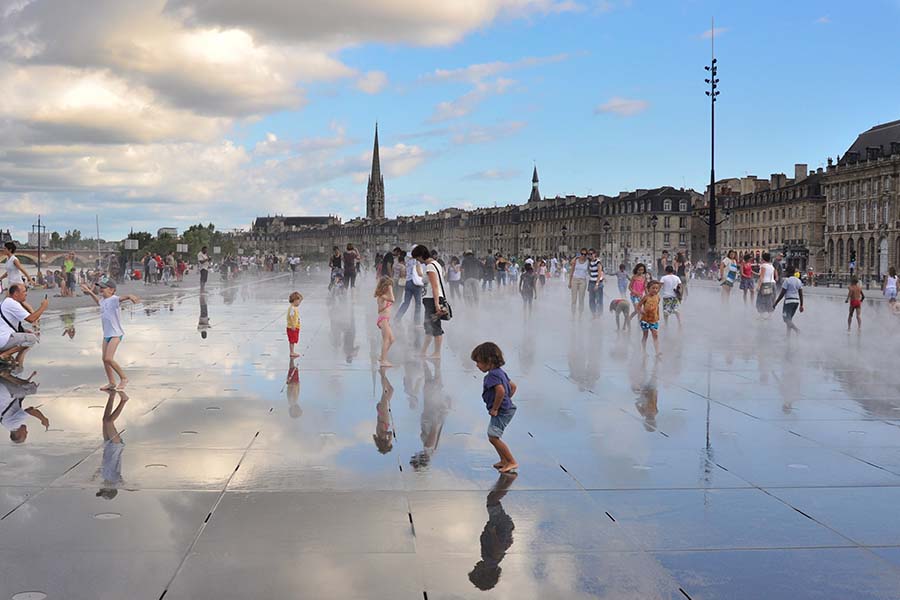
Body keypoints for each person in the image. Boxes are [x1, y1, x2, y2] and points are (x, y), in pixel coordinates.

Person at [81, 279, 140, 391]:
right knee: (104, 359)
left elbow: (122, 298)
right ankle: (112, 382)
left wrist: (130, 296)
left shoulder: (114, 299)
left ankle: (124, 378)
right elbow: (98, 301)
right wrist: (89, 292)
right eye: (100, 287)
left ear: (112, 290)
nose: (101, 289)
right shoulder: (103, 300)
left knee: (108, 358)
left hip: (116, 334)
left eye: (104, 287)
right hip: (107, 334)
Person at [471, 342, 518, 473]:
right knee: (493, 436)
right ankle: (504, 460)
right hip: (506, 409)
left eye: (479, 362)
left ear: (489, 361)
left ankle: (511, 461)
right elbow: (513, 386)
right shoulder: (500, 372)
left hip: (501, 412)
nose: (477, 365)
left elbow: (501, 391)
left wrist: (496, 408)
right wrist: (507, 401)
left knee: (493, 437)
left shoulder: (492, 376)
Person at [468, 473, 517, 591]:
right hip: (499, 527)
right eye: (476, 570)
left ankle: (504, 478)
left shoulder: (492, 561)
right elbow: (498, 549)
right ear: (483, 573)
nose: (475, 566)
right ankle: (509, 479)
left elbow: (503, 548)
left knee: (492, 499)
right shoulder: (490, 560)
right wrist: (493, 533)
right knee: (492, 500)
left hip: (501, 527)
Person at [0, 284, 48, 368]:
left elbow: (7, 324)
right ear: (15, 293)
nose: (26, 294)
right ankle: (3, 355)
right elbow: (31, 319)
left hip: (2, 338)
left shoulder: (5, 302)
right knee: (32, 338)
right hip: (3, 340)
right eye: (24, 292)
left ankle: (13, 360)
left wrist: (24, 331)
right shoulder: (12, 303)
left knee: (27, 334)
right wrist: (43, 306)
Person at [413, 244, 448, 358]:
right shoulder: (436, 264)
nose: (418, 261)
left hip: (433, 300)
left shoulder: (430, 267)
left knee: (435, 327)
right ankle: (423, 351)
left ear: (421, 255)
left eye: (417, 258)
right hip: (432, 299)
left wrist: (437, 304)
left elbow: (434, 286)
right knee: (429, 326)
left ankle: (437, 353)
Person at [0, 373, 47, 444]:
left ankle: (5, 375)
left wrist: (43, 419)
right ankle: (10, 370)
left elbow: (30, 411)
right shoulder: (7, 424)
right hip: (4, 389)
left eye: (25, 434)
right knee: (18, 371)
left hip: (6, 391)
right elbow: (29, 409)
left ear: (18, 434)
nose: (27, 432)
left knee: (32, 390)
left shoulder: (14, 425)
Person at [97, 389, 127, 498]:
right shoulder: (114, 478)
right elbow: (122, 482)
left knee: (105, 420)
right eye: (103, 490)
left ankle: (112, 396)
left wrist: (92, 477)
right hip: (115, 446)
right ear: (110, 489)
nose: (101, 487)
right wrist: (128, 487)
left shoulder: (105, 476)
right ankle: (124, 400)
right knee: (109, 422)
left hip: (108, 446)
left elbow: (102, 466)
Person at [395, 249, 424, 322]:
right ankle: (416, 322)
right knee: (418, 303)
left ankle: (397, 318)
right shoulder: (417, 262)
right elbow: (419, 273)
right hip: (416, 284)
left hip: (408, 283)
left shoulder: (407, 261)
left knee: (406, 302)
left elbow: (405, 273)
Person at [773, 270, 804, 336]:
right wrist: (801, 305)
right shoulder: (798, 281)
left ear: (789, 272)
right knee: (789, 320)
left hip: (788, 302)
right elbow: (801, 294)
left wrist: (775, 303)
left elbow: (782, 293)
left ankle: (797, 330)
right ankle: (788, 336)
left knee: (786, 319)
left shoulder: (787, 281)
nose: (785, 273)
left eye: (786, 272)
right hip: (796, 302)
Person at [636, 280, 662, 356]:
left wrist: (657, 316)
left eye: (657, 288)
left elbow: (657, 307)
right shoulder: (645, 297)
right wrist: (641, 311)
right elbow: (638, 306)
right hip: (645, 320)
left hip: (654, 320)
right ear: (648, 289)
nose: (655, 290)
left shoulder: (658, 297)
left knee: (655, 335)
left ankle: (657, 352)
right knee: (645, 335)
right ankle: (644, 351)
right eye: (653, 288)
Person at [374, 276, 395, 367]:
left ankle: (382, 356)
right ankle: (383, 360)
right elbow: (393, 299)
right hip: (383, 320)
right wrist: (390, 289)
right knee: (386, 340)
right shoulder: (382, 296)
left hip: (385, 320)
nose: (391, 288)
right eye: (389, 286)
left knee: (391, 339)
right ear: (385, 287)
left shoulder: (384, 296)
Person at [568, 248, 589, 317]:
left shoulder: (587, 262)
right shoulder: (576, 261)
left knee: (581, 299)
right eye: (582, 254)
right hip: (575, 279)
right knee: (574, 299)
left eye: (585, 254)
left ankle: (580, 314)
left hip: (583, 280)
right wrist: (570, 282)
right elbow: (571, 269)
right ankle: (573, 314)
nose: (583, 255)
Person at [756, 252, 777, 318]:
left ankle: (761, 315)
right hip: (772, 283)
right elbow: (773, 276)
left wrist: (758, 286)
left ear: (763, 258)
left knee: (761, 300)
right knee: (770, 299)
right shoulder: (771, 266)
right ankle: (770, 314)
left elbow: (762, 277)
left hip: (765, 284)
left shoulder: (763, 266)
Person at [587, 249, 604, 318]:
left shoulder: (598, 262)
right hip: (591, 282)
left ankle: (599, 314)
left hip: (598, 283)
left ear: (595, 254)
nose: (590, 255)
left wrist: (597, 284)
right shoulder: (590, 262)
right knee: (591, 299)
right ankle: (593, 314)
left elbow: (599, 273)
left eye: (591, 254)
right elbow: (590, 273)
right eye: (589, 254)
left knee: (599, 299)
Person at [286, 291, 303, 358]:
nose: (299, 303)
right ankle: (292, 352)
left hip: (293, 326)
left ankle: (292, 351)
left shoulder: (293, 307)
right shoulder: (292, 308)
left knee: (293, 340)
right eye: (299, 301)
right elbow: (292, 317)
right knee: (292, 340)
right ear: (295, 300)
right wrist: (293, 325)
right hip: (291, 327)